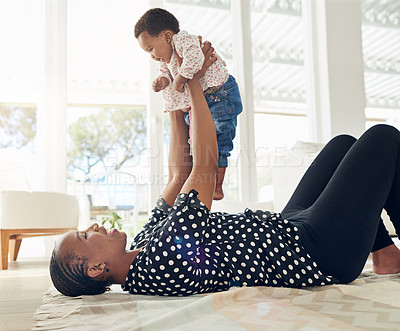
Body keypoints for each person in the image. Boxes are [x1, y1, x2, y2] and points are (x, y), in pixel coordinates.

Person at [50, 43, 400, 297]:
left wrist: (175, 94)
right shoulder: (160, 262)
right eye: (84, 236)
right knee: (383, 137)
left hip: (287, 227)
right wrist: (195, 83)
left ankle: (384, 254)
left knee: (341, 143)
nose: (92, 226)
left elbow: (178, 174)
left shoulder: (141, 247)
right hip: (317, 251)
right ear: (97, 269)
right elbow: (203, 164)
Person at [134, 8, 243, 200]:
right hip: (204, 99)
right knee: (196, 145)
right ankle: (205, 182)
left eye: (151, 48)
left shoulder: (183, 40)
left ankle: (217, 185)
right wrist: (163, 81)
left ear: (168, 36)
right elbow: (165, 72)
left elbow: (196, 58)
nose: (151, 55)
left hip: (219, 94)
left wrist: (180, 78)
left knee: (221, 140)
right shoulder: (166, 59)